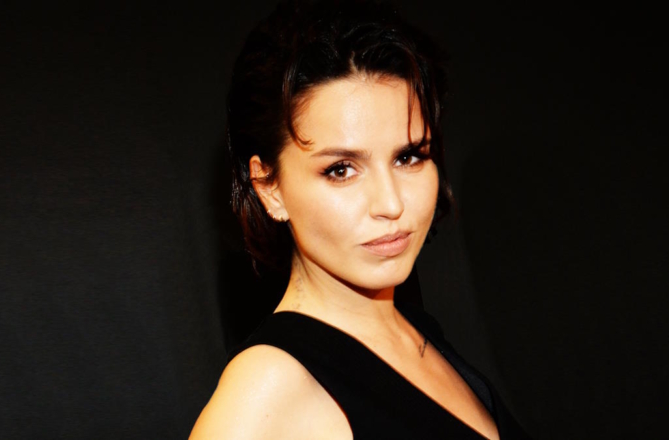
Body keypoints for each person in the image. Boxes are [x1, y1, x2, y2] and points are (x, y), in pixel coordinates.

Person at [190, 1, 530, 438]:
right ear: (269, 187)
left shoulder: (417, 331)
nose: (390, 203)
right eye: (341, 170)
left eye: (408, 157)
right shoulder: (269, 387)